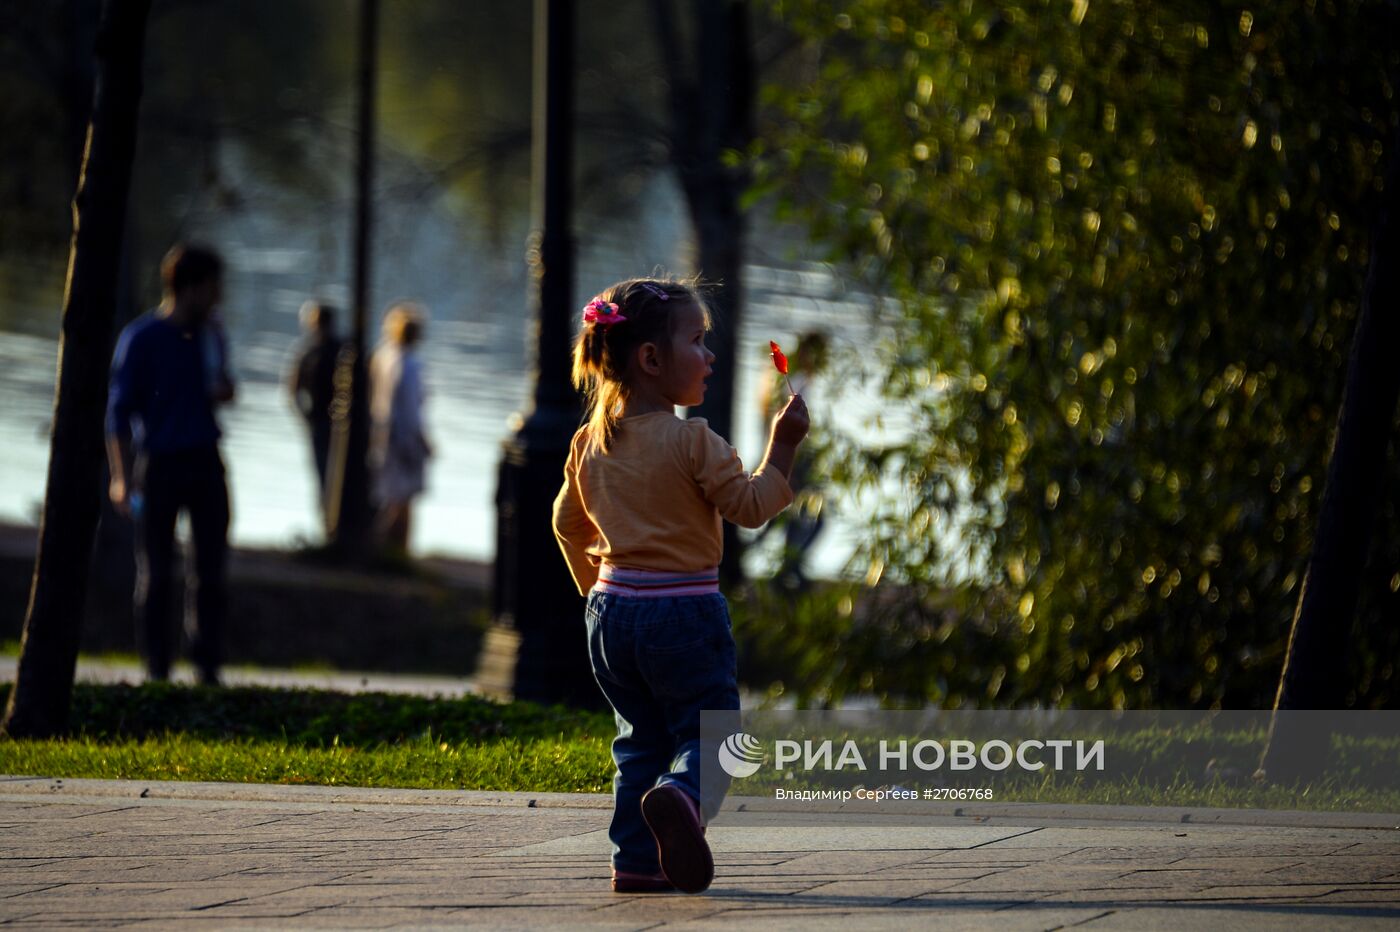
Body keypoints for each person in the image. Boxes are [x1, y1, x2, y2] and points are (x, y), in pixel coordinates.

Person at [552, 278, 810, 894]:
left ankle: (636, 862)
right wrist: (783, 448)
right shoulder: (694, 440)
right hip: (683, 613)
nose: (709, 356)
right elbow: (749, 506)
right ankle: (684, 797)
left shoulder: (590, 442)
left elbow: (566, 523)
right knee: (712, 735)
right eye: (697, 341)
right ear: (650, 358)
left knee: (638, 742)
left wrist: (595, 590)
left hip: (612, 614)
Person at [106, 243, 234, 685]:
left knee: (211, 569)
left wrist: (222, 386)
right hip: (159, 462)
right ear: (190, 287)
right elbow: (118, 413)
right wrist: (121, 477)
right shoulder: (142, 338)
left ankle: (207, 668)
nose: (218, 298)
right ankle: (157, 670)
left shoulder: (210, 335)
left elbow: (223, 388)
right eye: (213, 288)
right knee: (157, 571)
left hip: (206, 460)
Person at [368, 302, 432, 552]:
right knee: (403, 500)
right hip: (404, 439)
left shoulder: (382, 356)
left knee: (389, 494)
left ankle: (384, 547)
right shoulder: (410, 365)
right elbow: (411, 410)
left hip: (382, 435)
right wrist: (421, 440)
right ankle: (398, 549)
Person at [287, 300, 343, 525]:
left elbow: (293, 391)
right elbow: (293, 391)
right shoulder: (313, 352)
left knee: (328, 476)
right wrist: (306, 419)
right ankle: (328, 523)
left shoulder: (311, 352)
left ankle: (331, 523)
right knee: (325, 476)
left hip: (329, 425)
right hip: (322, 424)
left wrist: (305, 418)